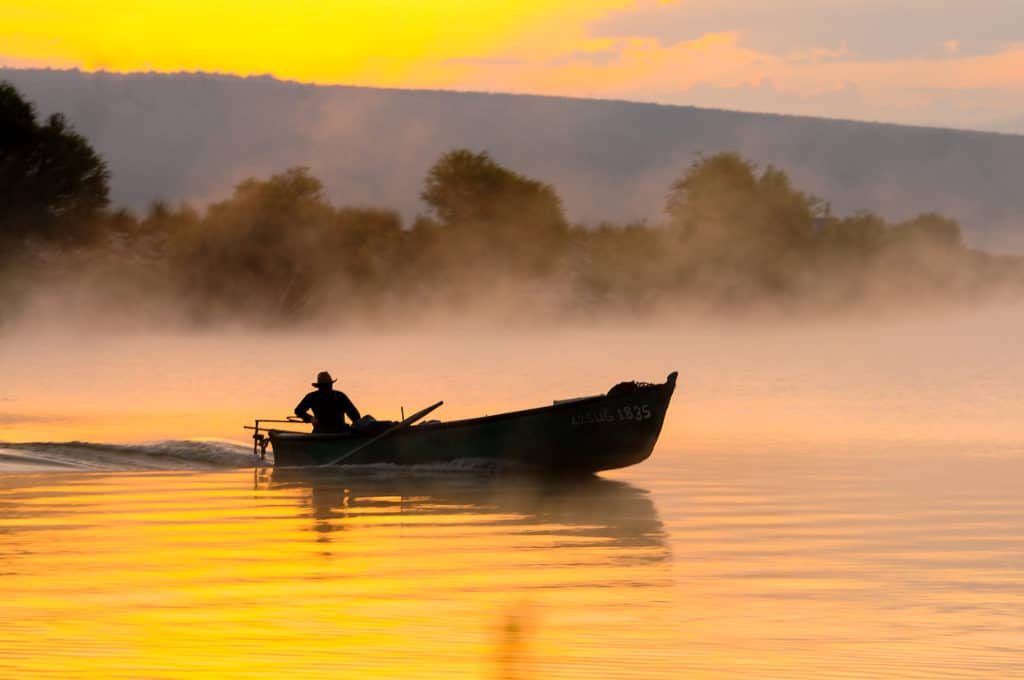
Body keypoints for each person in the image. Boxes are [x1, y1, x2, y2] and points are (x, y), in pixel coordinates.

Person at [294, 371, 361, 433]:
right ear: (319, 387)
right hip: (321, 433)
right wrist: (310, 418)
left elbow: (355, 416)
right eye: (324, 386)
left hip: (340, 431)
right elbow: (298, 410)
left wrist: (357, 428)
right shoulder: (312, 397)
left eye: (328, 385)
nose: (327, 388)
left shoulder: (340, 396)